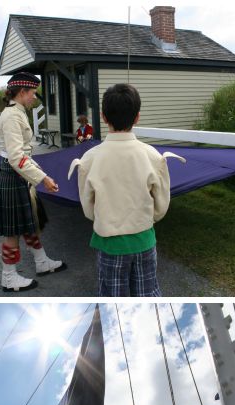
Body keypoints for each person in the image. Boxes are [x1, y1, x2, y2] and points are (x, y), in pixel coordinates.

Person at [69, 83, 179, 296]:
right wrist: (145, 219)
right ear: (137, 117)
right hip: (144, 240)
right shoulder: (152, 156)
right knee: (148, 295)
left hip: (109, 244)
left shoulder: (90, 159)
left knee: (114, 297)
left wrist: (105, 218)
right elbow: (161, 206)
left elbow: (88, 208)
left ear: (103, 116)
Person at [0, 71, 67, 292]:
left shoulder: (17, 113)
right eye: (33, 93)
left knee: (30, 223)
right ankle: (8, 277)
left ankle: (41, 262)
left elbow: (23, 154)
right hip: (13, 174)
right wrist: (43, 178)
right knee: (13, 230)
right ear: (21, 92)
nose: (34, 97)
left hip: (19, 174)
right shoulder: (11, 117)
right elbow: (16, 157)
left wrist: (38, 173)